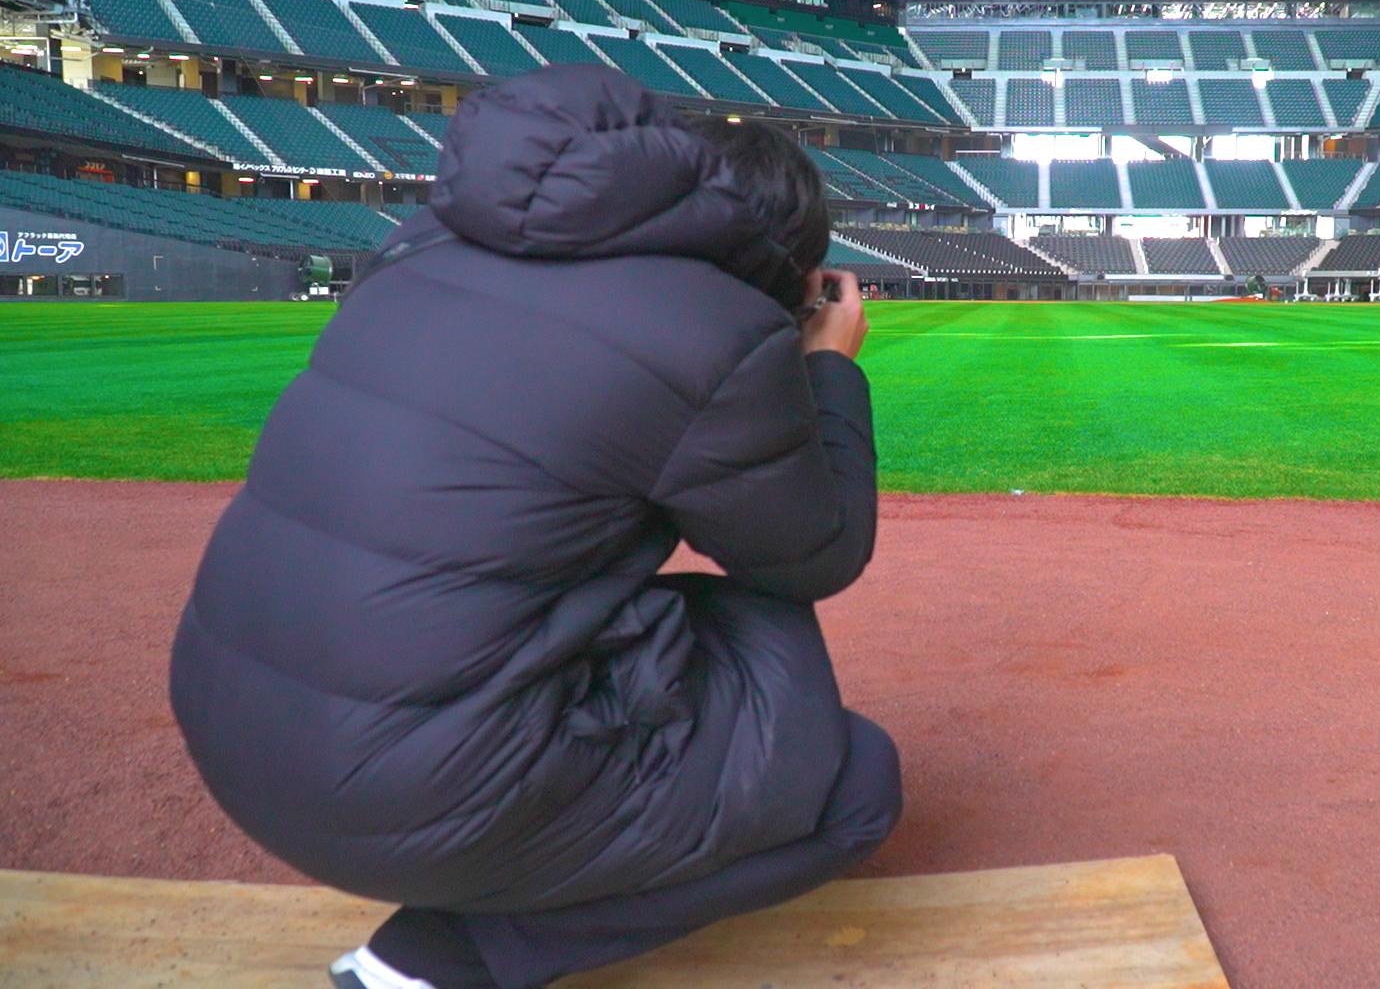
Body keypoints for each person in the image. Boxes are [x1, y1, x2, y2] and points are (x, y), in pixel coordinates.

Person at [169, 65, 899, 989]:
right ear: (787, 263)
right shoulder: (714, 329)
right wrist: (827, 363)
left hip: (231, 736)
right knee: (854, 784)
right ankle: (438, 957)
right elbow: (814, 558)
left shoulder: (419, 247)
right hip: (397, 799)